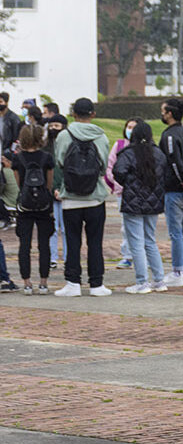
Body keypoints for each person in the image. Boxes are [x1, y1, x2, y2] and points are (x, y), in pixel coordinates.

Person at [53, 98, 111, 297]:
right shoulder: (101, 136)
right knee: (95, 242)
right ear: (93, 114)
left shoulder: (63, 135)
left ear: (73, 114)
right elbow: (103, 167)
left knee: (72, 240)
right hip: (95, 196)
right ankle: (97, 284)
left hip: (70, 196)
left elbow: (60, 162)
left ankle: (72, 282)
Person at [112, 120, 168, 294]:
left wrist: (130, 183)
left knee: (136, 242)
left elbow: (118, 172)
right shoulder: (159, 153)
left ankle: (141, 281)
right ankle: (159, 280)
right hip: (153, 202)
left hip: (133, 202)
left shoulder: (128, 153)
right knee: (150, 240)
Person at [11, 125, 55, 294]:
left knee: (24, 244)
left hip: (25, 205)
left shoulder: (18, 158)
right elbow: (49, 183)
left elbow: (18, 183)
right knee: (44, 245)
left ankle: (27, 283)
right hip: (44, 205)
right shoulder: (47, 157)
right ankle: (43, 282)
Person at [159, 98, 183, 288]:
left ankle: (178, 270)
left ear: (170, 113)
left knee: (177, 232)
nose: (162, 114)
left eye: (163, 111)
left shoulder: (170, 136)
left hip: (175, 189)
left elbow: (174, 162)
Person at [106, 118, 140, 270]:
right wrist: (117, 184)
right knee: (125, 226)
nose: (130, 130)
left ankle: (140, 255)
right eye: (129, 126)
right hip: (122, 192)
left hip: (140, 192)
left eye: (134, 127)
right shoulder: (119, 145)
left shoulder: (144, 147)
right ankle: (127, 256)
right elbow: (110, 166)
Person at [42, 115, 68, 270]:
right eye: (51, 125)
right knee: (51, 228)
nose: (53, 129)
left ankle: (67, 257)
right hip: (50, 192)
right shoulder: (46, 147)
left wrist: (62, 189)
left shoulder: (68, 145)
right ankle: (52, 257)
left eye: (57, 126)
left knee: (66, 229)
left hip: (66, 192)